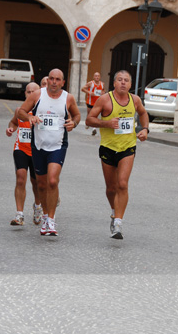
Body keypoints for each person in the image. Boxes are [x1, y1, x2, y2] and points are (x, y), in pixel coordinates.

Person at [85, 70, 149, 240]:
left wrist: (145, 129)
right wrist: (106, 123)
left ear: (130, 84)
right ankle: (114, 212)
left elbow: (143, 113)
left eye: (126, 80)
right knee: (111, 188)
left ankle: (118, 222)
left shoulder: (135, 100)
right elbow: (89, 119)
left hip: (127, 147)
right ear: (114, 83)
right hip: (107, 147)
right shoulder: (105, 99)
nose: (123, 83)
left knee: (122, 184)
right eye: (119, 80)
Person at [18, 69, 81, 236]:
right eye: (51, 78)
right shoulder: (37, 95)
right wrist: (30, 118)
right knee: (42, 184)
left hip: (58, 145)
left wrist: (73, 123)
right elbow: (21, 111)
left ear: (63, 82)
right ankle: (45, 216)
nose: (54, 82)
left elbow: (77, 115)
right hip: (38, 145)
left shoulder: (68, 98)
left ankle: (51, 220)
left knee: (53, 181)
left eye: (57, 79)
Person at [6, 82, 43, 226]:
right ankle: (19, 214)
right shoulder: (19, 110)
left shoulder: (43, 111)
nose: (30, 94)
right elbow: (13, 122)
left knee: (36, 183)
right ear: (25, 94)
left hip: (37, 151)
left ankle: (38, 206)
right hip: (20, 149)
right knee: (20, 178)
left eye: (34, 91)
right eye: (28, 92)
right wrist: (10, 129)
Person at [81, 72, 105, 136]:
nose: (97, 77)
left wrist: (103, 93)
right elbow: (82, 89)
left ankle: (94, 128)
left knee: (94, 116)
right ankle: (88, 123)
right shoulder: (90, 83)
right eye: (95, 76)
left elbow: (103, 91)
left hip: (98, 103)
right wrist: (89, 92)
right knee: (89, 115)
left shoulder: (102, 84)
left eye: (98, 76)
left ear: (100, 77)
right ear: (93, 77)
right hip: (90, 102)